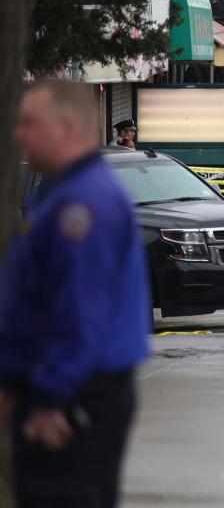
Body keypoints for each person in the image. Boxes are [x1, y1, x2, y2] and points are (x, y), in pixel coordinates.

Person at [0, 80, 150, 508]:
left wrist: (50, 398)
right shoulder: (62, 195)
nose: (19, 135)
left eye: (29, 123)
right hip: (58, 387)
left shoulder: (83, 206)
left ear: (65, 127)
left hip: (74, 397)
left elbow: (78, 311)